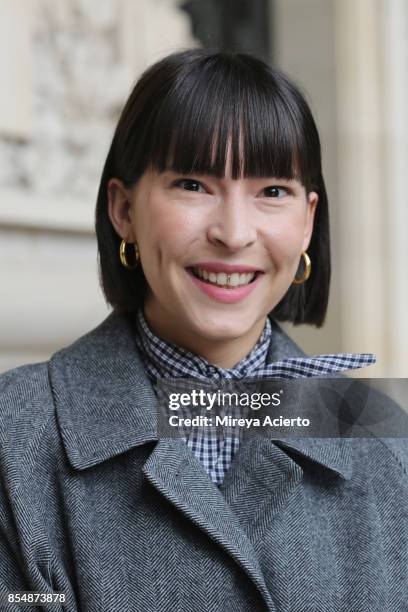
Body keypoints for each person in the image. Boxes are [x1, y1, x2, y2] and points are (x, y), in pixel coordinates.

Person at [0, 49, 407, 611]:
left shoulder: (383, 440)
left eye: (272, 191)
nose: (234, 233)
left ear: (308, 221)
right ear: (123, 209)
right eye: (192, 184)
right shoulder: (14, 441)